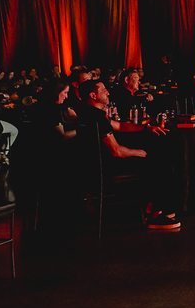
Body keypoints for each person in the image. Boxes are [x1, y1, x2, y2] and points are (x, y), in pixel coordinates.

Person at [76, 79, 179, 230]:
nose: (108, 92)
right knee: (161, 164)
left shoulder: (88, 112)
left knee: (155, 159)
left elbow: (120, 125)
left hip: (92, 165)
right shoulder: (97, 117)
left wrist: (145, 128)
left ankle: (153, 207)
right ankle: (155, 215)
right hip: (105, 167)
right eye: (103, 90)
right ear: (93, 95)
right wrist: (138, 152)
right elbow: (116, 151)